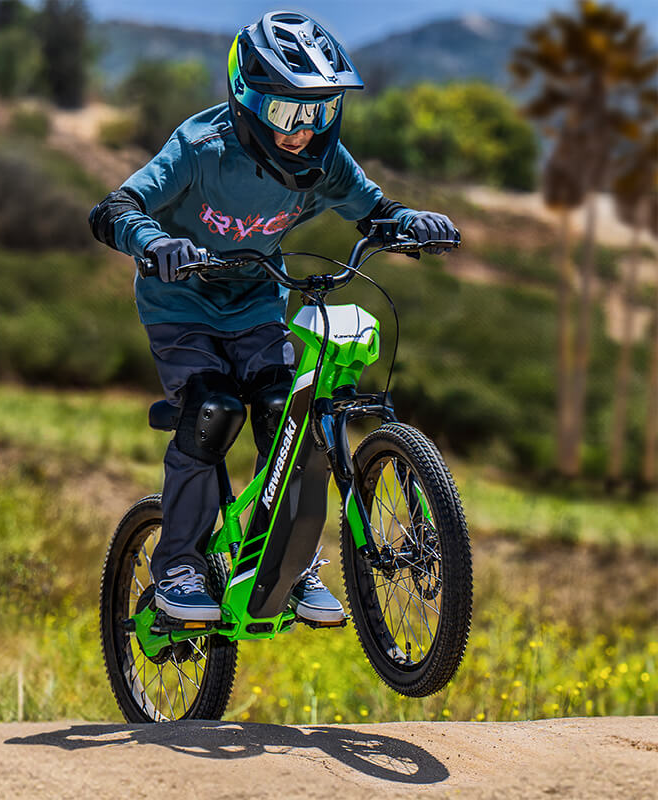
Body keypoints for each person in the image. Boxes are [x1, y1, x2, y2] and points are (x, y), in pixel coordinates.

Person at [88, 11, 459, 624]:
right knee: (212, 412)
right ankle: (178, 566)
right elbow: (116, 206)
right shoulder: (201, 148)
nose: (300, 131)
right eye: (286, 113)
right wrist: (153, 243)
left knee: (286, 417)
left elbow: (375, 209)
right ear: (247, 100)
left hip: (258, 301)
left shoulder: (323, 160)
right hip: (182, 307)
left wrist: (410, 223)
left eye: (317, 112)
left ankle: (293, 560)